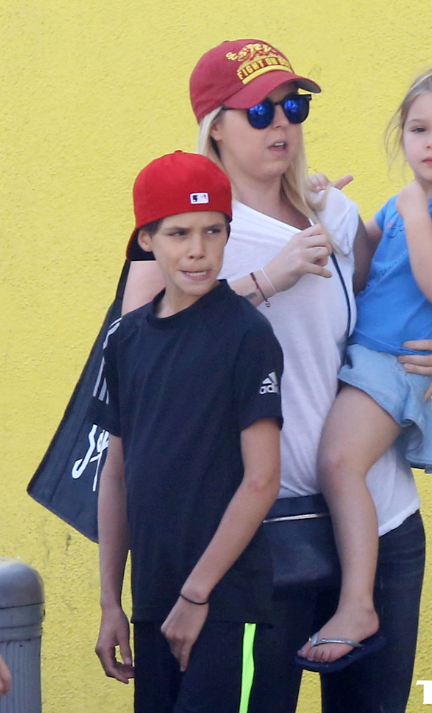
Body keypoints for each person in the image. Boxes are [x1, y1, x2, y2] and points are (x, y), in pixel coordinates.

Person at [123, 39, 432, 713]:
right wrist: (264, 279)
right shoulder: (197, 231)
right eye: (259, 111)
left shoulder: (331, 212)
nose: (281, 122)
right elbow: (138, 349)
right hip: (261, 533)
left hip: (380, 517)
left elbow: (388, 310)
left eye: (293, 105)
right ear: (215, 127)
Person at [296, 67, 432, 671]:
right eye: (419, 129)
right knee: (337, 463)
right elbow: (360, 269)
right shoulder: (404, 203)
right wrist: (325, 205)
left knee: (339, 463)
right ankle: (354, 598)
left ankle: (358, 605)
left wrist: (412, 213)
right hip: (368, 353)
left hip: (395, 361)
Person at [92, 151, 284, 713]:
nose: (198, 249)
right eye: (179, 233)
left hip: (224, 605)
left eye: (212, 231)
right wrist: (111, 603)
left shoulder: (246, 334)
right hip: (152, 602)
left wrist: (197, 595)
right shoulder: (126, 340)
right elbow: (116, 476)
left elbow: (262, 480)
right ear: (146, 239)